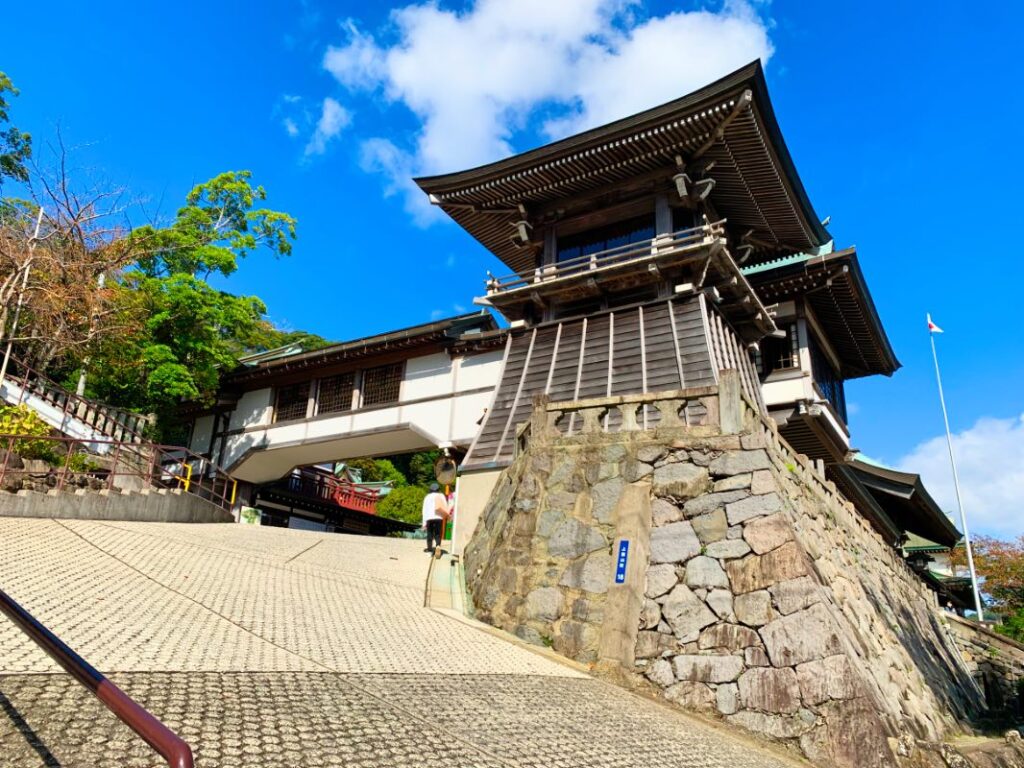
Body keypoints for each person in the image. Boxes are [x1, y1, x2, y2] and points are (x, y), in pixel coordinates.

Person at [421, 482, 450, 556]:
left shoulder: (427, 497)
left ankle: (430, 549)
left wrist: (424, 523)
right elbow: (445, 506)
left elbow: (424, 510)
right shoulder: (441, 496)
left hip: (429, 517)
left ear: (430, 490)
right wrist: (446, 515)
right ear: (438, 489)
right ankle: (438, 546)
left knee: (429, 533)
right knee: (438, 533)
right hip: (439, 518)